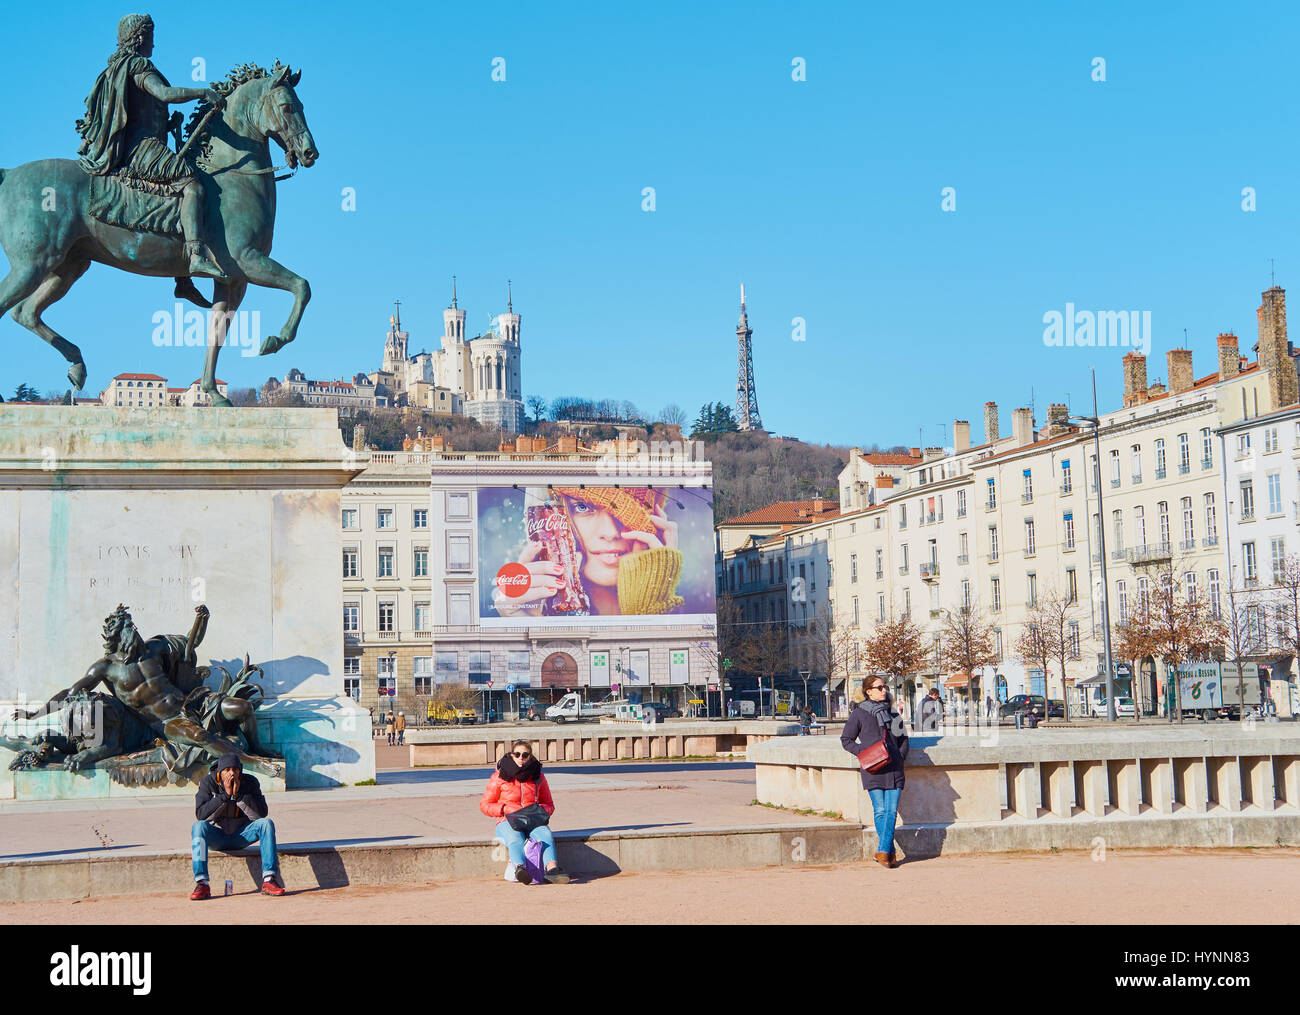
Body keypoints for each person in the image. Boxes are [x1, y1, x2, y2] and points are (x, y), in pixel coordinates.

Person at [75, 14, 227, 285]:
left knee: (177, 191)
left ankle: (183, 282)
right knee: (192, 184)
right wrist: (203, 92)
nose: (154, 44)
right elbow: (165, 94)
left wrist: (168, 124)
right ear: (141, 36)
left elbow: (136, 113)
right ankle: (195, 255)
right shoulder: (137, 65)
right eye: (152, 37)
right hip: (141, 148)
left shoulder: (114, 69)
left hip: (133, 144)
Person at [493, 487, 687, 617]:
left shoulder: (691, 615)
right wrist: (529, 623)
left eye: (626, 515)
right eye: (583, 507)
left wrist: (656, 608)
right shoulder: (527, 607)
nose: (610, 532)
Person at [190, 753, 283, 898]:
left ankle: (269, 879)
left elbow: (260, 815)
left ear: (240, 771)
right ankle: (202, 883)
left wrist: (239, 796)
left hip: (242, 835)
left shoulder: (250, 783)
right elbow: (202, 815)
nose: (232, 773)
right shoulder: (208, 782)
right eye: (227, 770)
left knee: (266, 824)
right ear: (220, 773)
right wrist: (225, 796)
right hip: (218, 837)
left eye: (235, 769)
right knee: (198, 827)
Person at [840, 678, 909, 868]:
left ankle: (882, 851)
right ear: (868, 691)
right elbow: (846, 739)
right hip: (873, 768)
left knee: (891, 810)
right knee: (880, 810)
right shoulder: (859, 714)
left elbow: (903, 740)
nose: (883, 690)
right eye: (879, 688)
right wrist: (864, 753)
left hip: (894, 767)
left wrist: (900, 756)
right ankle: (890, 852)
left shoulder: (893, 713)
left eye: (884, 687)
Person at [480, 740, 569, 885]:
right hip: (507, 821)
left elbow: (549, 804)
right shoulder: (499, 776)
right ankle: (520, 869)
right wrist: (504, 809)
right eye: (517, 754)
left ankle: (552, 870)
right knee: (516, 839)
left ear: (530, 757)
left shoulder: (538, 776)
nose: (521, 757)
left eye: (525, 755)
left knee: (545, 834)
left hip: (533, 820)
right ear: (511, 755)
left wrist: (538, 812)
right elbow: (484, 805)